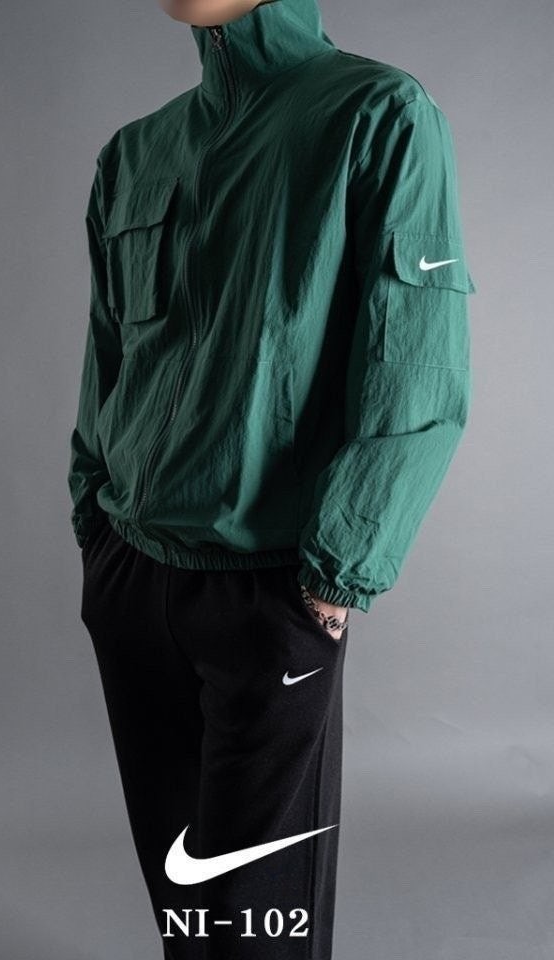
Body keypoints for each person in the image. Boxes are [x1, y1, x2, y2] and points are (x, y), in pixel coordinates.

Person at [67, 0, 476, 957]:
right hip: (132, 579)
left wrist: (338, 574)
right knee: (185, 909)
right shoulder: (135, 153)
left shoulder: (377, 114)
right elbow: (107, 356)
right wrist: (94, 515)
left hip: (271, 590)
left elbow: (417, 362)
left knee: (260, 927)